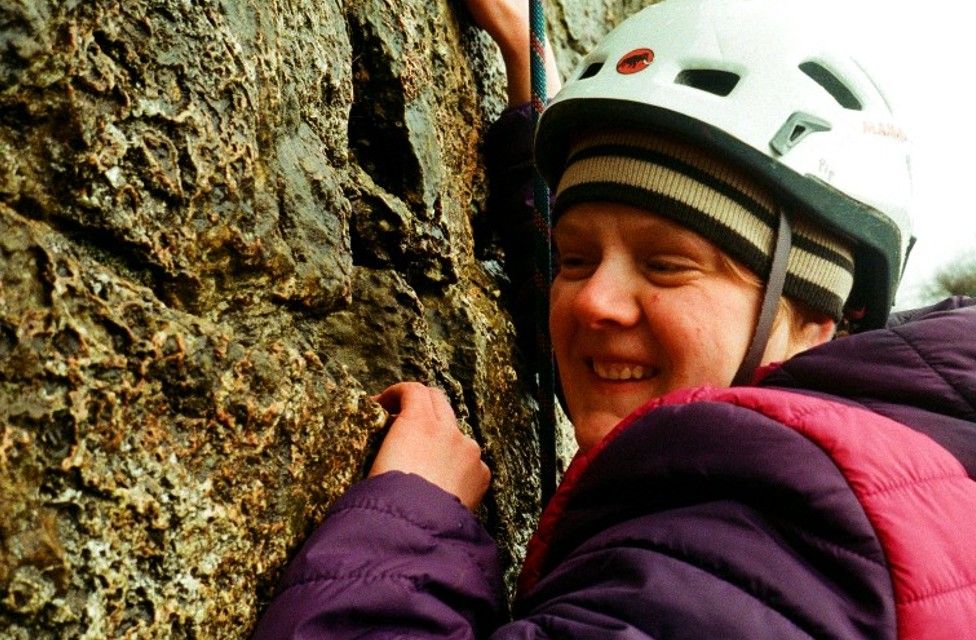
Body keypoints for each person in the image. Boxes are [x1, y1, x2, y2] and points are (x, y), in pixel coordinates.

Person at [251, 0, 976, 637]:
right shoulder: (890, 457)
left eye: (667, 265)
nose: (594, 301)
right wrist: (528, 66)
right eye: (576, 257)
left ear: (821, 318)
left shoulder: (767, 550)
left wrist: (410, 520)